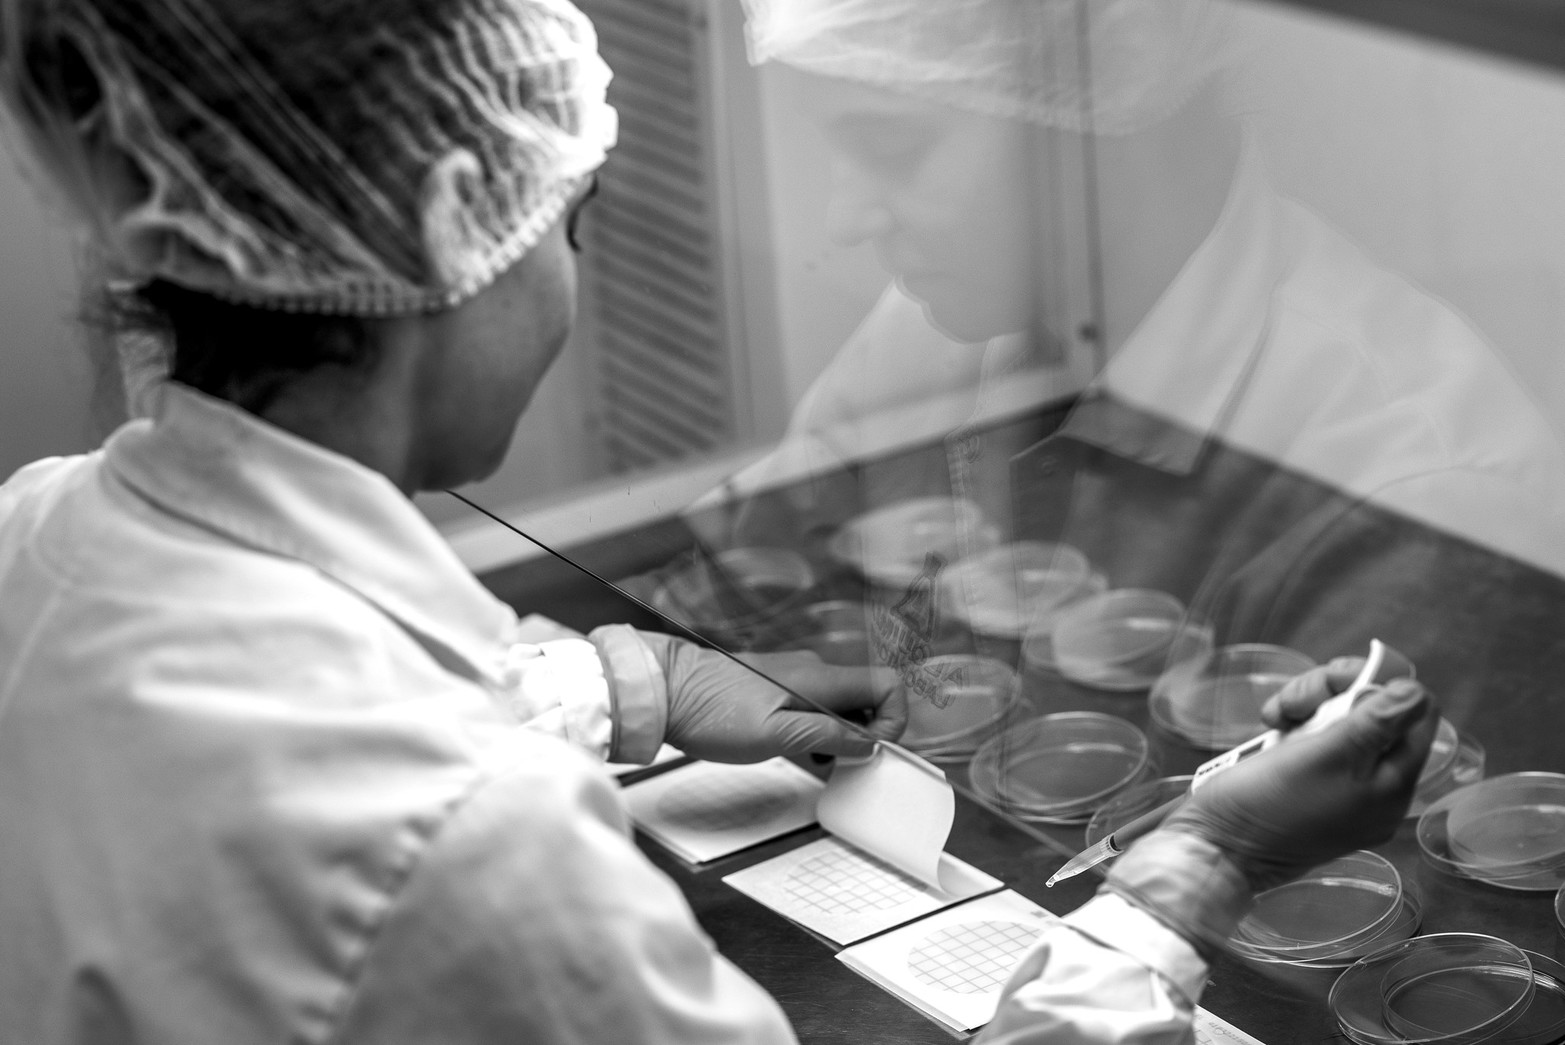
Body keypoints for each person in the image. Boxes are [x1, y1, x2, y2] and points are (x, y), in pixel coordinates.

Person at [0, 1, 1437, 1042]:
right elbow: (395, 803)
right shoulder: (480, 853)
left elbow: (287, 705)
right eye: (567, 220)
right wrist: (1193, 873)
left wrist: (620, 683)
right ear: (450, 222)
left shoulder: (35, 532)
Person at [707, 0, 1565, 732]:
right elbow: (746, 582)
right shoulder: (954, 314)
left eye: (892, 149)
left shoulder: (1417, 492)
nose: (844, 218)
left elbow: (1331, 861)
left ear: (1093, 101)